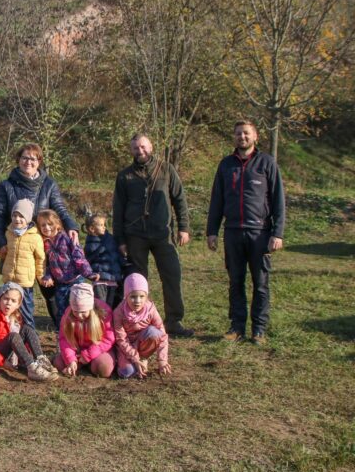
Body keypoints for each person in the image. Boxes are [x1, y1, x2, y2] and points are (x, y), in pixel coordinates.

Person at [206, 121, 285, 345]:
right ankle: (236, 328)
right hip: (232, 232)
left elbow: (278, 201)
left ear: (255, 137)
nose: (242, 137)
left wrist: (277, 233)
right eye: (239, 133)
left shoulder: (267, 163)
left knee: (260, 284)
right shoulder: (225, 165)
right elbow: (217, 200)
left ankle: (258, 330)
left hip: (260, 233)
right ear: (234, 137)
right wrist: (212, 231)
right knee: (235, 282)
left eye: (246, 133)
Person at [112, 134, 193, 337]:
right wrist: (120, 240)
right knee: (137, 281)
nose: (140, 151)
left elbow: (179, 199)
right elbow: (118, 209)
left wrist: (184, 227)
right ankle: (138, 321)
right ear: (131, 151)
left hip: (162, 234)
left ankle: (173, 320)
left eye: (143, 147)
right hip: (134, 235)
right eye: (136, 148)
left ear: (151, 146)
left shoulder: (167, 169)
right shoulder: (124, 176)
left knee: (172, 276)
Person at [0, 143, 80, 325]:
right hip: (18, 246)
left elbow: (60, 209)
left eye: (33, 158)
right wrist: (1, 242)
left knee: (51, 290)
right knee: (19, 292)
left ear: (39, 161)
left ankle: (61, 328)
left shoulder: (49, 184)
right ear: (18, 160)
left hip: (46, 245)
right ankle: (20, 333)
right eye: (25, 157)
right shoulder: (7, 186)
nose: (28, 162)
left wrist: (71, 225)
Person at [0, 282, 59, 382]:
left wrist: (26, 354)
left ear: (18, 304)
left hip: (8, 351)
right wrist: (2, 362)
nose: (8, 303)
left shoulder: (15, 317)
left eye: (13, 301)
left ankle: (41, 360)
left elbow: (21, 341)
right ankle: (32, 368)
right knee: (13, 336)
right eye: (6, 299)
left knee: (27, 329)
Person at [0, 199, 45, 329]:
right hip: (9, 280)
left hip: (24, 282)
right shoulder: (9, 233)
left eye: (21, 216)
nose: (17, 219)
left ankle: (30, 337)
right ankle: (12, 337)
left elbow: (40, 259)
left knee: (26, 312)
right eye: (14, 215)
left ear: (28, 219)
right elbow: (4, 255)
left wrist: (40, 276)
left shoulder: (35, 237)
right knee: (9, 312)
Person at [36, 209, 99, 329]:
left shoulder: (67, 238)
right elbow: (49, 264)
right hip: (60, 284)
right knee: (62, 311)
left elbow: (79, 257)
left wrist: (89, 273)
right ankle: (62, 336)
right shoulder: (46, 243)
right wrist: (48, 275)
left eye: (50, 224)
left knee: (79, 307)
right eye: (43, 225)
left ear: (57, 224)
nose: (47, 228)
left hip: (75, 280)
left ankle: (83, 332)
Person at [113, 273, 171, 379]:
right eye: (133, 297)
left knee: (154, 332)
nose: (138, 301)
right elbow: (121, 339)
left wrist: (162, 360)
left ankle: (144, 357)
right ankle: (123, 361)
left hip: (142, 343)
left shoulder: (150, 309)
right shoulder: (118, 312)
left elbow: (162, 334)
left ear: (146, 296)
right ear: (126, 296)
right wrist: (135, 359)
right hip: (126, 347)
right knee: (127, 373)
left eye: (142, 296)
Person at [54, 282, 115, 378]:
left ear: (90, 308)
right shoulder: (68, 315)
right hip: (78, 351)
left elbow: (108, 339)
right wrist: (71, 359)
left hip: (99, 351)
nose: (79, 315)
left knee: (104, 368)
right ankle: (78, 366)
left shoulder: (104, 313)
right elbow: (64, 339)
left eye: (83, 312)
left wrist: (88, 355)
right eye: (75, 311)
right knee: (59, 363)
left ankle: (89, 365)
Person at [82, 213, 122, 307]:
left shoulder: (111, 239)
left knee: (112, 304)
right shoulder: (90, 245)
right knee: (101, 305)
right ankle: (101, 321)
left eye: (104, 224)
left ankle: (111, 321)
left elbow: (116, 254)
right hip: (100, 279)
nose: (104, 227)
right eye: (101, 225)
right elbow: (87, 262)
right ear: (92, 229)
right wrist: (91, 275)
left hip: (113, 278)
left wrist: (122, 263)